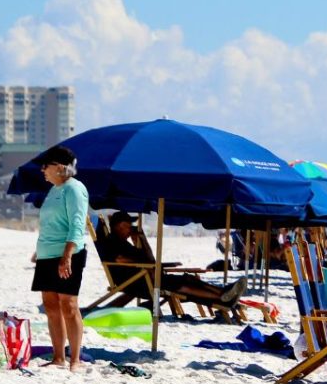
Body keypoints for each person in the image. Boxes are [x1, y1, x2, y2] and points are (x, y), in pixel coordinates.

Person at [101, 212, 247, 308]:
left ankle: (224, 292)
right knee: (181, 285)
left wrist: (141, 239)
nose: (130, 229)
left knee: (188, 279)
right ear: (119, 226)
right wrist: (146, 266)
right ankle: (222, 298)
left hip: (146, 276)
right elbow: (119, 259)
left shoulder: (125, 242)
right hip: (138, 281)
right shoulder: (112, 241)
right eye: (128, 226)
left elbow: (150, 258)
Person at [31, 145, 89, 371]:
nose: (42, 170)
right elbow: (50, 224)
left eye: (46, 166)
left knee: (69, 305)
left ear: (60, 167)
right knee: (51, 305)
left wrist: (66, 257)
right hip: (47, 253)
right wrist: (39, 251)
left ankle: (75, 359)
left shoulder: (74, 188)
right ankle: (58, 357)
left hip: (69, 253)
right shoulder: (54, 190)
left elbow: (77, 224)